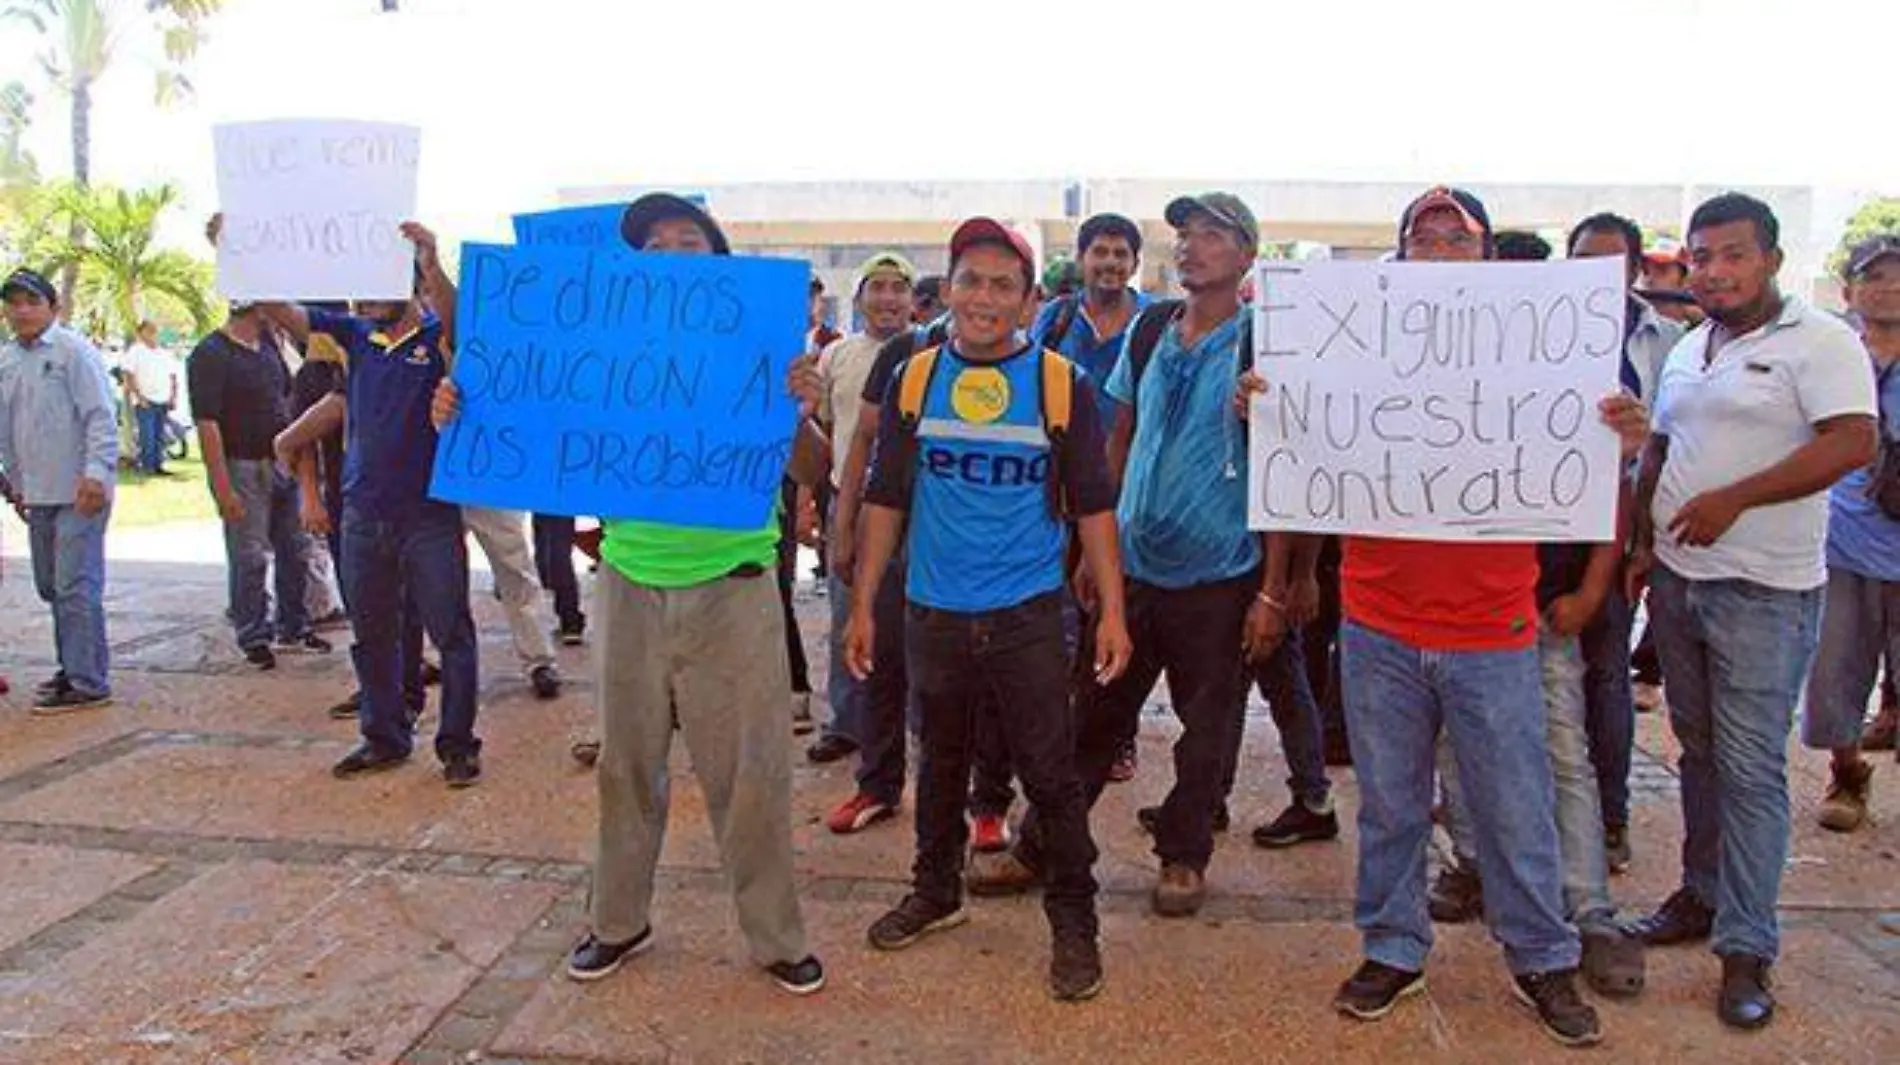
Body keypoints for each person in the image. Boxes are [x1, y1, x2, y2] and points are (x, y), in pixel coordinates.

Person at [434, 192, 827, 996]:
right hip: (628, 585)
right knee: (624, 764)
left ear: (718, 262)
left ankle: (775, 935)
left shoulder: (762, 356)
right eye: (654, 243)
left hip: (736, 592)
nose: (673, 252)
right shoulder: (605, 359)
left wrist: (802, 408)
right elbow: (523, 411)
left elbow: (815, 471)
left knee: (752, 773)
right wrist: (461, 409)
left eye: (690, 239)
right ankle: (617, 920)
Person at [1285, 188, 1635, 1048]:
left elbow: (1603, 474)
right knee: (1392, 806)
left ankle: (1543, 954)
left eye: (1458, 236)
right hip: (1377, 624)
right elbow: (1298, 439)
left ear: (1486, 256)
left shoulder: (1544, 354)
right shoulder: (1356, 351)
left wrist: (1624, 437)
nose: (1440, 248)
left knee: (1517, 803)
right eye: (1423, 235)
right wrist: (1269, 398)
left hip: (1493, 628)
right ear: (1401, 254)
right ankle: (1394, 949)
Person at [846, 216, 1130, 1002]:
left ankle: (1076, 924)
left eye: (1003, 283)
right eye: (970, 279)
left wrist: (1112, 610)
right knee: (938, 760)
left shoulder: (1057, 383)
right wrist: (864, 601)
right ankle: (936, 891)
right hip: (931, 610)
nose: (984, 296)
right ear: (950, 289)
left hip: (1027, 616)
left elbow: (1094, 508)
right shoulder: (914, 374)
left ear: (1032, 299)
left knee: (1050, 774)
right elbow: (885, 496)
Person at [1624, 193, 1877, 1031]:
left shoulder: (1823, 342)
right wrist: (1640, 541)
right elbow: (1662, 445)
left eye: (1732, 254)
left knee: (1751, 767)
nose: (1714, 271)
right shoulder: (1693, 345)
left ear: (1769, 258)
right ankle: (1700, 894)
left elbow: (1851, 442)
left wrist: (1737, 498)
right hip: (1679, 581)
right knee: (1697, 752)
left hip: (1764, 589)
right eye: (1701, 257)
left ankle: (1747, 943)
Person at [252, 219, 485, 788]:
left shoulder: (437, 340)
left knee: (450, 633)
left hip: (429, 516)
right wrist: (240, 257)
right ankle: (383, 737)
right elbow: (288, 314)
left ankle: (457, 744)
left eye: (378, 282)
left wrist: (433, 264)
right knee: (372, 632)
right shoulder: (355, 337)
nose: (365, 295)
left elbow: (460, 321)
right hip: (363, 516)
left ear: (409, 283)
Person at [814, 251, 918, 832]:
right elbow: (842, 443)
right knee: (855, 629)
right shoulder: (839, 356)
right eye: (876, 288)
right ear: (858, 298)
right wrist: (836, 517)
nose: (887, 299)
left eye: (896, 289)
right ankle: (856, 740)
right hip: (855, 506)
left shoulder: (932, 351)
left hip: (922, 521)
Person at [1800, 235, 1900, 833]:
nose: (1888, 287)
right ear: (1849, 290)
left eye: (1898, 276)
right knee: (1835, 668)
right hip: (1842, 541)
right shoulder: (1828, 355)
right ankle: (1847, 770)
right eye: (1875, 276)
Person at [188, 302, 331, 670]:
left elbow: (285, 396)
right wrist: (222, 487)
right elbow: (208, 424)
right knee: (249, 554)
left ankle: (293, 625)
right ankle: (253, 632)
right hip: (242, 465)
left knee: (294, 547)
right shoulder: (210, 354)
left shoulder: (268, 346)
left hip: (281, 462)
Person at [0, 268, 116, 713]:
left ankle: (88, 681)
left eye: (31, 301)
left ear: (53, 307)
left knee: (75, 585)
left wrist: (97, 473)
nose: (22, 310)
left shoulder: (73, 352)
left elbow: (99, 416)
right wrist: (15, 483)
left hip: (79, 490)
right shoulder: (8, 360)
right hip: (38, 491)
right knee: (51, 586)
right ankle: (73, 664)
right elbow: (8, 429)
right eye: (13, 302)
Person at [124, 321, 178, 475]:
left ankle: (158, 465)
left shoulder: (164, 353)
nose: (153, 333)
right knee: (147, 435)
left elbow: (173, 377)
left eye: (155, 331)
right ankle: (147, 466)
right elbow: (129, 375)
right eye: (149, 331)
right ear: (141, 333)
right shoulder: (135, 351)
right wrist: (139, 397)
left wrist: (173, 396)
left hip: (163, 399)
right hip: (145, 400)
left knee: (159, 435)